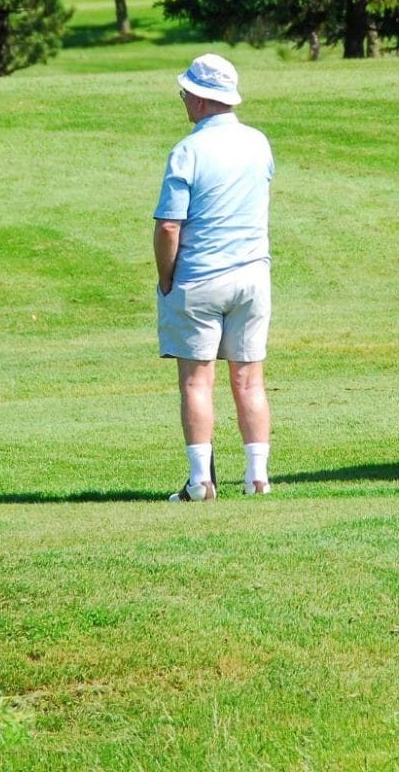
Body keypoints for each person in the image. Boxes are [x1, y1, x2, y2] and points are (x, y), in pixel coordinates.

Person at [154, 54, 276, 501]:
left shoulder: (188, 150)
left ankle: (200, 481)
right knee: (249, 379)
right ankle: (257, 477)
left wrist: (166, 279)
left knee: (196, 381)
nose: (183, 99)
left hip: (201, 277)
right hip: (252, 278)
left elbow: (169, 226)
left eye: (186, 92)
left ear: (203, 100)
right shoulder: (258, 143)